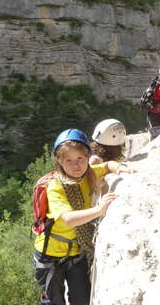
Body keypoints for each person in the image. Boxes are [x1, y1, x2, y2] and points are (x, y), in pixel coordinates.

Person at [33, 129, 132, 305]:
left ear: (88, 157)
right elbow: (68, 218)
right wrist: (100, 210)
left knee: (82, 299)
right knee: (54, 301)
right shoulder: (55, 186)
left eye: (80, 158)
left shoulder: (89, 174)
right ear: (60, 162)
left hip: (76, 251)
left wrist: (122, 168)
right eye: (68, 160)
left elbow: (109, 165)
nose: (76, 165)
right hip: (50, 255)